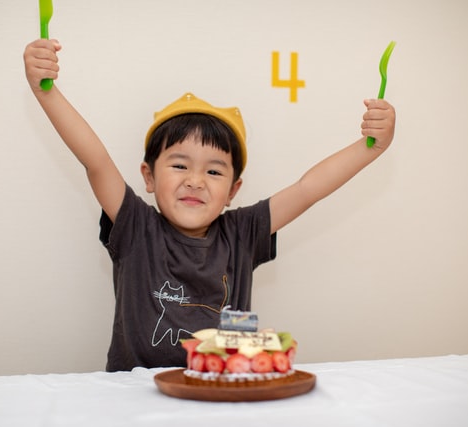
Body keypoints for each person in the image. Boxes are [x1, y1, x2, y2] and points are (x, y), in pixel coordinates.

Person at [23, 38, 396, 371]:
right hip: (134, 400)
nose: (196, 180)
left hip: (222, 397)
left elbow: (307, 189)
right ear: (149, 177)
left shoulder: (243, 232)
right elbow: (96, 160)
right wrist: (46, 92)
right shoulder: (136, 225)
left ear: (233, 191)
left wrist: (371, 148)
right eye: (180, 165)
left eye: (214, 172)